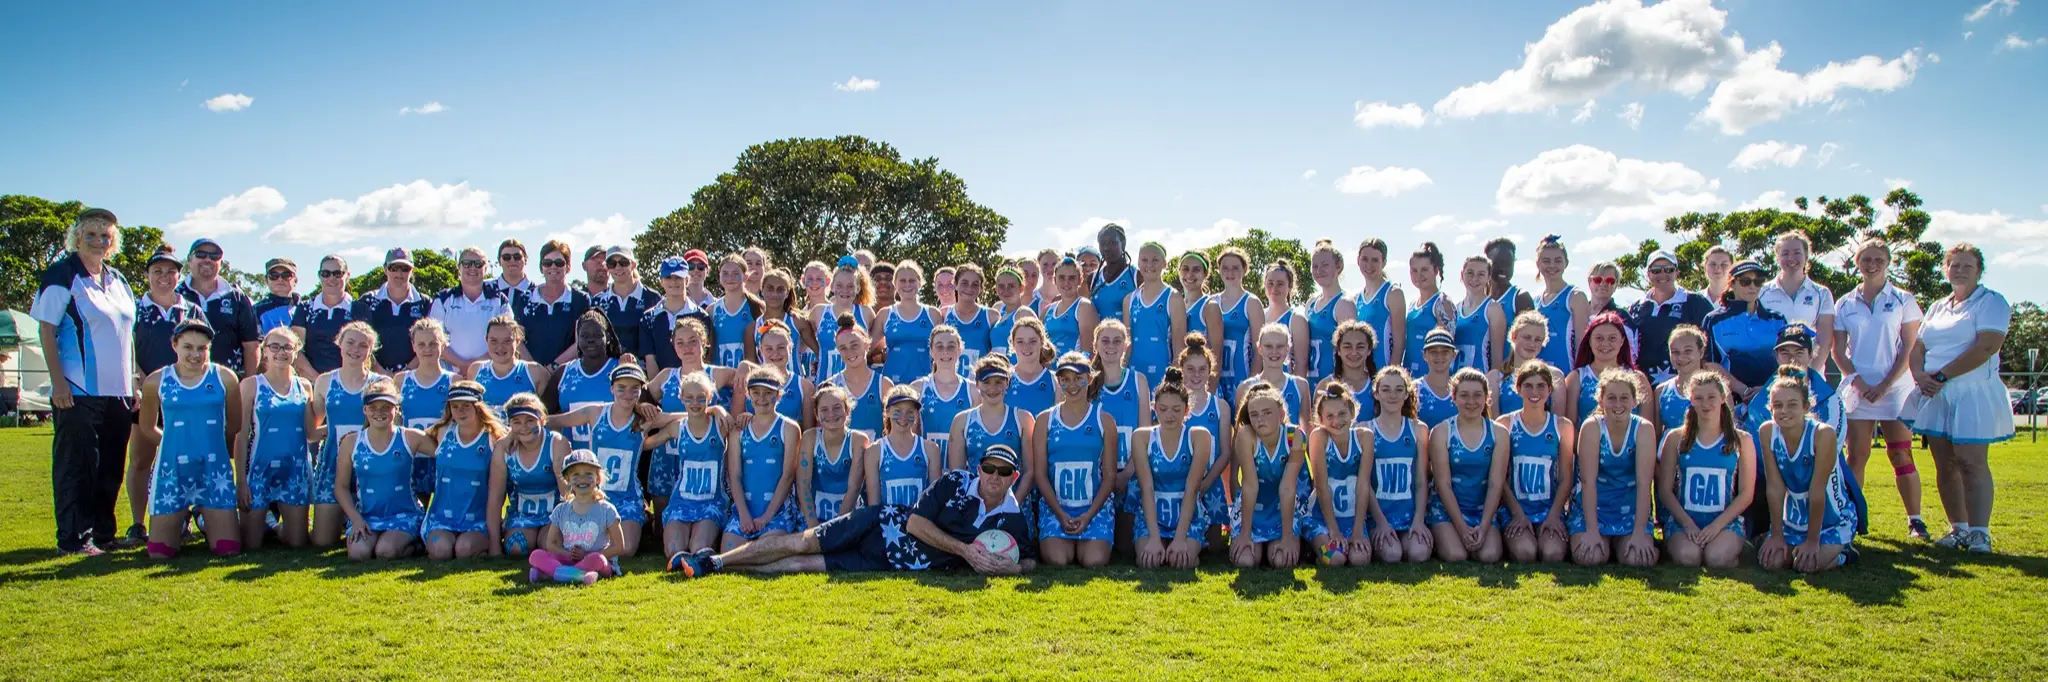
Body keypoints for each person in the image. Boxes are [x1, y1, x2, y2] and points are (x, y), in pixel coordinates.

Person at [669, 444, 1038, 576]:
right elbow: (914, 522)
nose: (993, 476)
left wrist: (1011, 566)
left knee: (802, 566)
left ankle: (724, 567)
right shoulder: (956, 482)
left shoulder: (1013, 518)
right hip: (879, 525)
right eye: (988, 468)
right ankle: (716, 562)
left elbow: (1031, 560)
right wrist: (965, 552)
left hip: (890, 564)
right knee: (800, 545)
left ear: (1013, 476)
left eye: (1003, 472)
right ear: (980, 469)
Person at [36, 207, 137, 556]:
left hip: (118, 391)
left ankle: (104, 534)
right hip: (78, 390)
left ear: (113, 241)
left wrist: (134, 383)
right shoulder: (61, 275)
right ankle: (74, 538)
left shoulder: (118, 280)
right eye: (90, 234)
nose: (98, 240)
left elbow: (127, 334)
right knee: (77, 466)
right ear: (77, 237)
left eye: (105, 234)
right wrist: (58, 384)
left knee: (111, 466)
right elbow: (46, 330)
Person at [1910, 243, 2013, 553]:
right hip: (1937, 394)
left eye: (1967, 266)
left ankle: (1980, 532)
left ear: (1978, 270)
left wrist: (1942, 376)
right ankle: (1959, 529)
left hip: (1972, 392)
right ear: (1946, 268)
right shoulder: (1938, 306)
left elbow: (1986, 347)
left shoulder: (1991, 302)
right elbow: (1919, 347)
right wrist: (1921, 376)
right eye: (1954, 265)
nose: (1960, 270)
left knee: (1971, 461)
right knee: (1945, 463)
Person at [1833, 237, 1929, 539]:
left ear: (1888, 262)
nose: (1872, 264)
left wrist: (1886, 384)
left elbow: (1909, 348)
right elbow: (1838, 352)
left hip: (1896, 390)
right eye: (1866, 259)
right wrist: (1859, 382)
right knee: (1856, 456)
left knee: (1900, 455)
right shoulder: (1845, 303)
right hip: (1859, 390)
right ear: (1857, 263)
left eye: (1879, 259)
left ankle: (1915, 520)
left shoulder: (1904, 300)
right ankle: (1852, 518)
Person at [136, 318, 244, 558]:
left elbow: (234, 424)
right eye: (188, 347)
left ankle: (204, 518)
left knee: (228, 549)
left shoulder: (225, 378)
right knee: (160, 553)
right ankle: (180, 519)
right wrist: (172, 445)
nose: (195, 354)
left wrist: (211, 445)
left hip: (213, 469)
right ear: (174, 345)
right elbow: (147, 426)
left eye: (202, 348)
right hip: (173, 470)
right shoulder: (157, 381)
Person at [547, 363, 679, 557]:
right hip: (594, 495)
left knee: (625, 550)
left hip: (628, 498)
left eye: (635, 389)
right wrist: (525, 422)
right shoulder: (595, 413)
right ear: (612, 388)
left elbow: (686, 417)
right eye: (621, 388)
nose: (628, 393)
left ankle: (638, 520)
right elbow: (557, 421)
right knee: (585, 542)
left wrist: (714, 411)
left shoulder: (645, 419)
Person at [123, 247, 207, 546]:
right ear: (147, 275)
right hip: (145, 393)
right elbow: (126, 349)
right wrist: (144, 382)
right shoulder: (134, 308)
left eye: (170, 272)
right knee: (142, 459)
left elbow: (202, 352)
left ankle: (180, 520)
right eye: (157, 271)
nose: (164, 277)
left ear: (179, 275)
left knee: (186, 458)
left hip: (184, 398)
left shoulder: (192, 310)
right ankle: (137, 523)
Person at [1758, 369, 1861, 572]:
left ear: (1806, 406)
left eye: (1792, 405)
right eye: (1777, 405)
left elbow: (1817, 490)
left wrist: (1813, 541)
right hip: (1794, 518)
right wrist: (1776, 535)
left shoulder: (1823, 434)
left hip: (1831, 517)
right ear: (1770, 408)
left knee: (1808, 566)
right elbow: (1775, 488)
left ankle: (1844, 552)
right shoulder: (1767, 431)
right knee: (1773, 563)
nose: (1784, 411)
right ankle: (1790, 540)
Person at [1656, 372, 1755, 568]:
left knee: (1716, 559)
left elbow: (1746, 493)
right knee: (1688, 558)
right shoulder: (1676, 438)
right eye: (1698, 398)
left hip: (1724, 522)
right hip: (1685, 522)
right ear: (1690, 400)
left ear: (1722, 398)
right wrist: (1687, 524)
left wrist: (1717, 526)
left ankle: (1737, 547)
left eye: (1711, 397)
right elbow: (1665, 490)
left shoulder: (1741, 439)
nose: (1705, 404)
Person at [1031, 352, 1119, 567]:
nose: (1072, 385)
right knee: (1058, 560)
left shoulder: (1104, 420)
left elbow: (1109, 475)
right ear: (1059, 381)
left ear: (1089, 379)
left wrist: (1089, 515)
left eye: (1078, 378)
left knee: (1094, 560)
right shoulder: (1045, 420)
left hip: (1093, 508)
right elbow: (1040, 474)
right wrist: (1060, 515)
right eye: (1065, 379)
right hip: (1057, 508)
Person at [1229, 382, 1328, 568]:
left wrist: (1287, 537)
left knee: (1282, 561)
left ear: (1281, 414)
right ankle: (1254, 542)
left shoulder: (1295, 436)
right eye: (1254, 415)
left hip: (1284, 507)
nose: (1260, 419)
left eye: (1267, 413)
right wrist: (1244, 534)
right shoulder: (1245, 436)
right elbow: (1250, 486)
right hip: (1254, 507)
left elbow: (1288, 487)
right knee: (1246, 561)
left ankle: (1294, 541)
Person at [235, 327, 317, 550]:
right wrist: (241, 482)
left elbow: (311, 433)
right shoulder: (252, 385)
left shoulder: (305, 386)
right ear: (265, 351)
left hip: (295, 470)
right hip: (260, 470)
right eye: (275, 347)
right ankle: (265, 522)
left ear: (295, 352)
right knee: (251, 545)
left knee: (298, 543)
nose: (281, 352)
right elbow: (241, 436)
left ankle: (275, 526)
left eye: (287, 347)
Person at [334, 379, 434, 560]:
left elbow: (446, 451)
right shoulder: (351, 442)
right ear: (364, 410)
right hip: (367, 515)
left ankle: (418, 543)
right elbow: (340, 487)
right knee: (358, 553)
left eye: (386, 407)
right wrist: (356, 519)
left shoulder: (410, 437)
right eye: (373, 407)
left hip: (404, 515)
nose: (379, 412)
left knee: (385, 551)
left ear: (396, 409)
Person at [310, 322, 387, 546]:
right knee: (322, 542)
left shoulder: (380, 383)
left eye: (363, 345)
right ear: (339, 343)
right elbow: (315, 429)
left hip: (370, 466)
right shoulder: (325, 381)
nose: (355, 349)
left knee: (369, 537)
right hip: (333, 465)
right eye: (350, 342)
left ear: (370, 350)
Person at [1571, 369, 1658, 567]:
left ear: (1635, 401)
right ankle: (1602, 539)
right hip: (1594, 507)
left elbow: (1645, 484)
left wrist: (1638, 533)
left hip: (1630, 508)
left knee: (1638, 560)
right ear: (1600, 401)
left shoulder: (1643, 428)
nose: (1618, 404)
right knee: (1589, 557)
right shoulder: (1592, 427)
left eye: (1624, 398)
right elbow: (1587, 482)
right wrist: (1592, 530)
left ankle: (1627, 541)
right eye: (1611, 398)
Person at [1131, 368, 1213, 569]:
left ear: (1187, 411)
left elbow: (1192, 489)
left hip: (1187, 516)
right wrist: (1153, 538)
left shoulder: (1198, 436)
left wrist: (1179, 538)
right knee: (1149, 562)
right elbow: (1147, 489)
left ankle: (1185, 544)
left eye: (1177, 410)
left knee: (1180, 562)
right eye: (1164, 409)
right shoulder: (1142, 437)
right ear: (1155, 409)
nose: (1169, 415)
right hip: (1153, 515)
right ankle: (1157, 541)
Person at [1499, 363, 1578, 564]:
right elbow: (1500, 478)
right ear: (1518, 389)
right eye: (1528, 386)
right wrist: (1517, 514)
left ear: (1550, 390)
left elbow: (1566, 477)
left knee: (1552, 554)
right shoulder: (1505, 424)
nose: (1535, 392)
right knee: (1525, 554)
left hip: (1548, 509)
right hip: (1515, 508)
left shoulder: (1562, 426)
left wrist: (1554, 515)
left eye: (1541, 386)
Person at [1426, 369, 1508, 563]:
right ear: (1453, 397)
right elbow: (1443, 484)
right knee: (1456, 555)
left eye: (1477, 395)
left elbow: (1496, 484)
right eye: (1464, 395)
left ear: (1487, 397)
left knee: (1489, 555)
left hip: (1483, 510)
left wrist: (1485, 525)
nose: (1471, 401)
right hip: (1447, 509)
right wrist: (1462, 528)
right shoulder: (1441, 432)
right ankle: (1444, 535)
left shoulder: (1499, 433)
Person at [422, 382, 506, 560]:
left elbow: (496, 494)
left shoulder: (494, 438)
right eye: (455, 406)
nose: (460, 411)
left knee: (464, 549)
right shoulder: (442, 432)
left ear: (478, 407)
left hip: (477, 520)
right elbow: (404, 438)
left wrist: (495, 544)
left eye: (466, 406)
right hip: (442, 519)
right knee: (440, 551)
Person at [722, 367, 803, 549]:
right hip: (745, 509)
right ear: (748, 395)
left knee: (766, 550)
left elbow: (788, 475)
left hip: (777, 510)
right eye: (756, 393)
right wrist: (743, 514)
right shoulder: (738, 431)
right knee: (728, 550)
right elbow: (734, 475)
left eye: (768, 393)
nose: (762, 398)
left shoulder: (789, 428)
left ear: (779, 395)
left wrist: (767, 517)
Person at [657, 372, 733, 557]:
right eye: (689, 398)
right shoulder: (677, 427)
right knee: (674, 551)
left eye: (701, 398)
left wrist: (718, 410)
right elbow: (644, 443)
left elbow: (740, 432)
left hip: (711, 501)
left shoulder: (719, 425)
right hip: (682, 500)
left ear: (709, 397)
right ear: (681, 397)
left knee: (699, 548)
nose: (695, 403)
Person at [487, 393, 570, 558]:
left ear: (542, 419)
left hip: (555, 515)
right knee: (516, 548)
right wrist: (494, 545)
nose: (523, 427)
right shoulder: (503, 449)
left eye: (530, 420)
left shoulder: (556, 443)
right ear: (509, 424)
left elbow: (568, 494)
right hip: (521, 515)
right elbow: (496, 498)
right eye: (516, 422)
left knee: (551, 546)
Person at [1364, 365, 1433, 563]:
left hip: (1408, 514)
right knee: (1392, 555)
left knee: (1418, 554)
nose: (1392, 395)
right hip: (1378, 515)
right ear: (1376, 394)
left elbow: (1421, 481)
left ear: (1406, 394)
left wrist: (1419, 520)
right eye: (1385, 390)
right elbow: (1364, 483)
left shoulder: (1418, 429)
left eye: (1398, 390)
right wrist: (1380, 522)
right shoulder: (1365, 430)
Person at [529, 449, 625, 585]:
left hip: (596, 560)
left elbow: (619, 546)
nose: (582, 479)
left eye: (588, 474)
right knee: (536, 555)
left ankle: (551, 573)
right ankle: (578, 575)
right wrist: (568, 555)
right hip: (568, 559)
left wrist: (585, 556)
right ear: (567, 479)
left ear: (598, 478)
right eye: (576, 475)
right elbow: (550, 544)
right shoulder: (561, 510)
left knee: (597, 560)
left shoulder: (607, 510)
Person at [949, 355, 1037, 502]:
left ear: (1007, 383)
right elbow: (958, 474)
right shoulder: (962, 421)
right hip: (975, 507)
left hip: (1015, 505)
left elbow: (1029, 471)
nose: (993, 388)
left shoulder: (1023, 419)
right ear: (977, 384)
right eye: (986, 382)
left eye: (998, 382)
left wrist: (1011, 505)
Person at [1703, 259, 1789, 404]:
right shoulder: (1714, 320)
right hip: (1731, 401)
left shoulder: (1777, 319)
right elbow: (1709, 364)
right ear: (1732, 284)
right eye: (1745, 281)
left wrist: (1766, 389)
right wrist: (1743, 390)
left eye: (1758, 281)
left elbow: (1788, 361)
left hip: (1773, 400)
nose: (1753, 287)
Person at [1628, 250, 1715, 384]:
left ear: (1677, 272)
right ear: (1648, 274)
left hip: (1687, 386)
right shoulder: (1637, 306)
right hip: (1643, 386)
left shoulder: (1695, 302)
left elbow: (1710, 346)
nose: (1663, 274)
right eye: (1656, 270)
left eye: (1668, 269)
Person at [1305, 383, 1369, 566]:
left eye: (1342, 414)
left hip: (1351, 517)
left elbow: (1363, 484)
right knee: (1335, 559)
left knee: (1360, 560)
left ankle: (1349, 538)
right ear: (1321, 419)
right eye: (1330, 416)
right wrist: (1333, 531)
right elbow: (1321, 486)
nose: (1337, 421)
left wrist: (1357, 531)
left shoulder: (1364, 437)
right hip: (1322, 518)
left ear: (1352, 413)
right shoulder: (1319, 437)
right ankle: (1315, 548)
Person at [176, 238, 260, 374]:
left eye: (215, 256)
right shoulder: (176, 295)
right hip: (182, 384)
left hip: (228, 385)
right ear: (189, 260)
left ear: (221, 263)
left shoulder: (237, 298)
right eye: (201, 254)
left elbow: (251, 345)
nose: (208, 260)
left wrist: (248, 385)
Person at [542, 311, 622, 451]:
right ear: (577, 339)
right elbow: (542, 415)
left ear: (608, 337)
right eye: (585, 336)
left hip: (612, 461)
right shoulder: (563, 373)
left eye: (597, 335)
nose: (591, 340)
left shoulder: (620, 370)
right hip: (573, 462)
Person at [1759, 232, 1837, 373]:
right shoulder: (1761, 292)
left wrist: (1808, 374)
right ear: (1777, 257)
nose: (1791, 258)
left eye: (1797, 253)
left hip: (1810, 376)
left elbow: (1825, 341)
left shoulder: (1822, 293)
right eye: (1785, 253)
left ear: (1806, 256)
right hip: (1772, 377)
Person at [1560, 311, 1653, 427]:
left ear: (1622, 341)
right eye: (1599, 338)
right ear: (1589, 341)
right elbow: (1570, 426)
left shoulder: (1638, 379)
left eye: (1612, 338)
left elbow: (1648, 427)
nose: (1605, 343)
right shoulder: (1576, 378)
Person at [430, 247, 513, 370]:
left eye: (478, 264)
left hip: (490, 371)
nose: (473, 268)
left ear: (485, 268)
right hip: (450, 373)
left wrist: (475, 367)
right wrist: (462, 365)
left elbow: (508, 338)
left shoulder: (499, 300)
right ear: (459, 267)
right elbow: (433, 338)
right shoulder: (442, 299)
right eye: (467, 264)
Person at [798, 384, 869, 529]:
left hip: (847, 518)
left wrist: (835, 529)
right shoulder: (810, 437)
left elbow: (854, 488)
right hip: (814, 518)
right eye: (824, 410)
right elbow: (803, 485)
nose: (831, 414)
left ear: (847, 410)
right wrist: (813, 527)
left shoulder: (858, 440)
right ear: (817, 415)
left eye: (837, 408)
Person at [352, 248, 432, 374]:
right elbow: (360, 340)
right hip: (373, 375)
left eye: (405, 269)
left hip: (415, 376)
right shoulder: (367, 301)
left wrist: (406, 373)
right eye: (394, 268)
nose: (399, 274)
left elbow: (431, 341)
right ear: (385, 269)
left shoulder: (425, 303)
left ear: (412, 271)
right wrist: (382, 373)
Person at [515, 240, 593, 366]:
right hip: (531, 373)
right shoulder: (525, 299)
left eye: (559, 263)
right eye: (547, 263)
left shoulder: (580, 300)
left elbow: (581, 340)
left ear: (568, 267)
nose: (553, 267)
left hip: (568, 370)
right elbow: (518, 339)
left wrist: (554, 367)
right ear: (541, 267)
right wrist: (535, 369)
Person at [867, 385, 942, 509]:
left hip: (919, 525)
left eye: (910, 412)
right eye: (898, 411)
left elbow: (935, 501)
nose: (904, 417)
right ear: (887, 411)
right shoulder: (874, 451)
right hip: (887, 526)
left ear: (917, 414)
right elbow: (874, 506)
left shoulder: (931, 449)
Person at [1126, 243, 1187, 389]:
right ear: (1138, 262)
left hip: (1162, 373)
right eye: (1144, 260)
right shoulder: (1129, 299)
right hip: (1134, 372)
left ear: (1164, 263)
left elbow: (1179, 345)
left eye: (1155, 260)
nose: (1149, 265)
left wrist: (1173, 379)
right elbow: (1126, 344)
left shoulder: (1173, 298)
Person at [1299, 240, 1355, 387]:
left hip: (1334, 382)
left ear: (1338, 267)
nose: (1319, 270)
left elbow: (1351, 350)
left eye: (1325, 265)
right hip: (1311, 380)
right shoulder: (1311, 303)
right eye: (1315, 266)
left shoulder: (1344, 303)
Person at [1530, 236, 1589, 375]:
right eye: (1546, 261)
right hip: (1539, 376)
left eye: (1557, 261)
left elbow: (1582, 342)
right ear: (1538, 264)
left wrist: (1577, 376)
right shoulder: (1535, 299)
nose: (1552, 266)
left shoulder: (1575, 296)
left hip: (1567, 372)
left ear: (1566, 263)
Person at [290, 255, 357, 376]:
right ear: (319, 275)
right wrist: (320, 382)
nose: (331, 278)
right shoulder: (305, 309)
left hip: (350, 383)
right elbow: (295, 350)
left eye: (337, 273)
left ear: (347, 275)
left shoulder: (359, 309)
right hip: (312, 384)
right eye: (326, 273)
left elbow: (364, 350)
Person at [471, 316, 551, 417]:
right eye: (494, 341)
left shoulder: (535, 372)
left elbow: (547, 415)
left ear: (517, 341)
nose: (500, 347)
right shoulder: (476, 370)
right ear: (486, 340)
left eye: (507, 341)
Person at [822, 317, 888, 438]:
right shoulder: (831, 386)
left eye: (854, 345)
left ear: (867, 345)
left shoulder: (883, 384)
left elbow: (892, 430)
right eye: (843, 348)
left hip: (875, 455)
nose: (849, 352)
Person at [875, 261, 939, 386]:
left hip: (925, 384)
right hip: (892, 384)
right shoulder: (885, 314)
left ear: (920, 283)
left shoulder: (933, 314)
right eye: (903, 280)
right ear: (895, 284)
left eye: (912, 280)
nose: (907, 285)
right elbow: (866, 347)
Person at [810, 257, 874, 380]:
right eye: (839, 285)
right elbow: (801, 342)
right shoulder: (819, 312)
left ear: (858, 288)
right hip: (825, 385)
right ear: (832, 287)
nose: (845, 290)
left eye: (850, 286)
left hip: (857, 385)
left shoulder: (866, 313)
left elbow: (873, 346)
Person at [1214, 248, 1264, 403]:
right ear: (1219, 270)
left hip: (1241, 375)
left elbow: (1258, 349)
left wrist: (1252, 384)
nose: (1230, 272)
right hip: (1217, 375)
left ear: (1244, 270)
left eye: (1235, 268)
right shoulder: (1212, 301)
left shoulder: (1251, 302)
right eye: (1225, 268)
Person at [1237, 322, 1309, 428]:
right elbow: (1240, 434)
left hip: (1291, 444)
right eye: (1268, 346)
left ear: (1288, 349)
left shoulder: (1301, 386)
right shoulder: (1245, 388)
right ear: (1260, 348)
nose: (1274, 351)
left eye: (1280, 346)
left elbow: (1306, 431)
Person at [914, 326, 970, 454]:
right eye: (939, 346)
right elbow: (912, 435)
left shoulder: (972, 390)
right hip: (927, 466)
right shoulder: (918, 388)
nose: (945, 351)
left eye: (951, 346)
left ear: (960, 350)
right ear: (931, 351)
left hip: (960, 468)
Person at [1353, 238, 1406, 372]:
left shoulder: (1393, 293)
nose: (1369, 265)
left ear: (1384, 262)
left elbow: (1399, 342)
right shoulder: (1356, 298)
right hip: (1361, 376)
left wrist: (1391, 376)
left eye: (1375, 260)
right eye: (1365, 259)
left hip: (1383, 375)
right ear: (1358, 260)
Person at [598, 246, 660, 360]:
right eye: (612, 263)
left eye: (623, 262)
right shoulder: (598, 301)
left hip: (643, 369)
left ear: (633, 265)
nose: (618, 267)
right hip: (608, 368)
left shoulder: (652, 298)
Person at [1451, 255, 1507, 374]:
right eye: (1470, 273)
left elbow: (1497, 357)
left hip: (1480, 381)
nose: (1474, 278)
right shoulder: (1455, 309)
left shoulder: (1493, 309)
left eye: (1481, 274)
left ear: (1488, 277)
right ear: (1462, 275)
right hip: (1455, 380)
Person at [1403, 242, 1453, 376]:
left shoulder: (1442, 303)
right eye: (1414, 270)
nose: (1419, 275)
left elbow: (1448, 348)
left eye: (1424, 270)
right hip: (1410, 377)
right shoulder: (1412, 304)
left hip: (1431, 380)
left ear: (1436, 270)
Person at [1490, 311, 1552, 417]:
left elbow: (1558, 424)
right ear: (1514, 336)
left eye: (1537, 340)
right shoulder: (1495, 378)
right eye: (1527, 337)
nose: (1532, 344)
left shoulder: (1554, 376)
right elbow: (1493, 424)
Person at [1176, 252, 1225, 379]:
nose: (1190, 274)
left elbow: (1216, 357)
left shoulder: (1209, 307)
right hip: (1181, 384)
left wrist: (1210, 393)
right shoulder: (1176, 304)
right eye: (1185, 269)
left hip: (1201, 384)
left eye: (1196, 270)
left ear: (1205, 274)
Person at [707, 254, 761, 370]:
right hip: (720, 380)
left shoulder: (757, 307)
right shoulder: (712, 310)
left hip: (748, 378)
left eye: (735, 274)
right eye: (725, 274)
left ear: (745, 277)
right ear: (719, 277)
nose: (730, 278)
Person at [1323, 320, 1382, 422]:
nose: (1354, 352)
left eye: (1360, 347)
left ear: (1369, 350)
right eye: (1347, 346)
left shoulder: (1380, 385)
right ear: (1339, 350)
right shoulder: (1325, 385)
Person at [1004, 317, 1059, 417]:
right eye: (1020, 342)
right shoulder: (1004, 378)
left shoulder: (1055, 380)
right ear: (1013, 343)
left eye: (1033, 341)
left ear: (1042, 342)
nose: (1026, 347)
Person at [1043, 257, 1097, 357]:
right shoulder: (1047, 310)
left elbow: (1088, 352)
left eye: (1072, 278)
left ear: (1080, 280)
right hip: (1049, 371)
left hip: (1072, 370)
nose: (1066, 283)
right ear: (1055, 280)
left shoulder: (1084, 306)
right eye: (1062, 278)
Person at [1259, 262, 1306, 375]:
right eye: (1270, 283)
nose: (1274, 288)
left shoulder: (1296, 319)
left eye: (1280, 284)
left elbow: (1301, 364)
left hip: (1285, 387)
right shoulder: (1259, 315)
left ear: (1289, 286)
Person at [1092, 224, 1138, 325]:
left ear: (1123, 243)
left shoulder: (1136, 276)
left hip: (1127, 340)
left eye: (1112, 243)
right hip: (1101, 340)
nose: (1107, 248)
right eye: (1102, 243)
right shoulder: (1092, 279)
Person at [1414, 329, 1460, 429]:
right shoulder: (1414, 389)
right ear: (1424, 355)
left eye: (1445, 352)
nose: (1439, 356)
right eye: (1433, 352)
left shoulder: (1461, 389)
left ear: (1454, 355)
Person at [253, 258, 302, 336]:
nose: (280, 279)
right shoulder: (255, 310)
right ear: (266, 280)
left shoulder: (307, 309)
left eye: (286, 275)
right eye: (274, 276)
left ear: (295, 280)